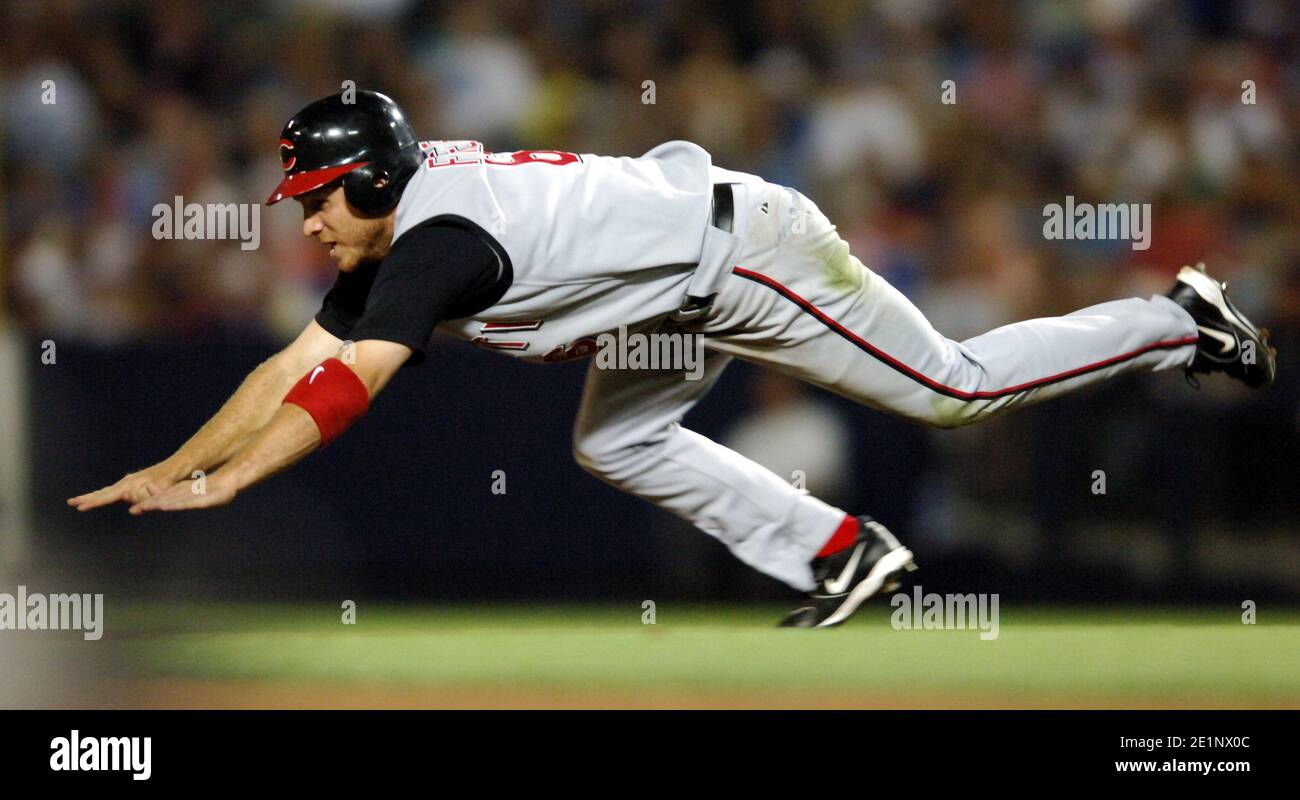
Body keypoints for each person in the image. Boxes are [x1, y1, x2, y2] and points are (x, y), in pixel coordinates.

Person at [68, 91, 1277, 628]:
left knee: (952, 388)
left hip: (746, 256)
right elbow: (291, 361)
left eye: (318, 193)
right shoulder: (402, 233)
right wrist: (178, 460)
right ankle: (841, 549)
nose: (305, 214)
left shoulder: (432, 241)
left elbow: (338, 390)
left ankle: (1178, 317)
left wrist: (228, 486)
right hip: (677, 270)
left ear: (372, 178)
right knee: (613, 437)